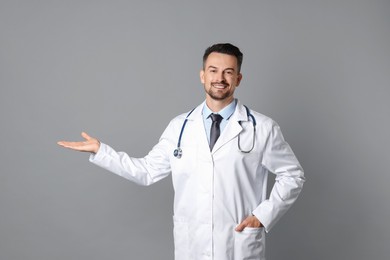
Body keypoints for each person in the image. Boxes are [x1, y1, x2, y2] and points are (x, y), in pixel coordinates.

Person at [58, 43, 305, 260]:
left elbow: (293, 175)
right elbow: (146, 172)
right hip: (192, 247)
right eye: (213, 70)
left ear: (238, 79)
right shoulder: (180, 126)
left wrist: (262, 216)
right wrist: (102, 151)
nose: (220, 78)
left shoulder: (262, 128)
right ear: (202, 76)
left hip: (238, 246)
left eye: (228, 72)